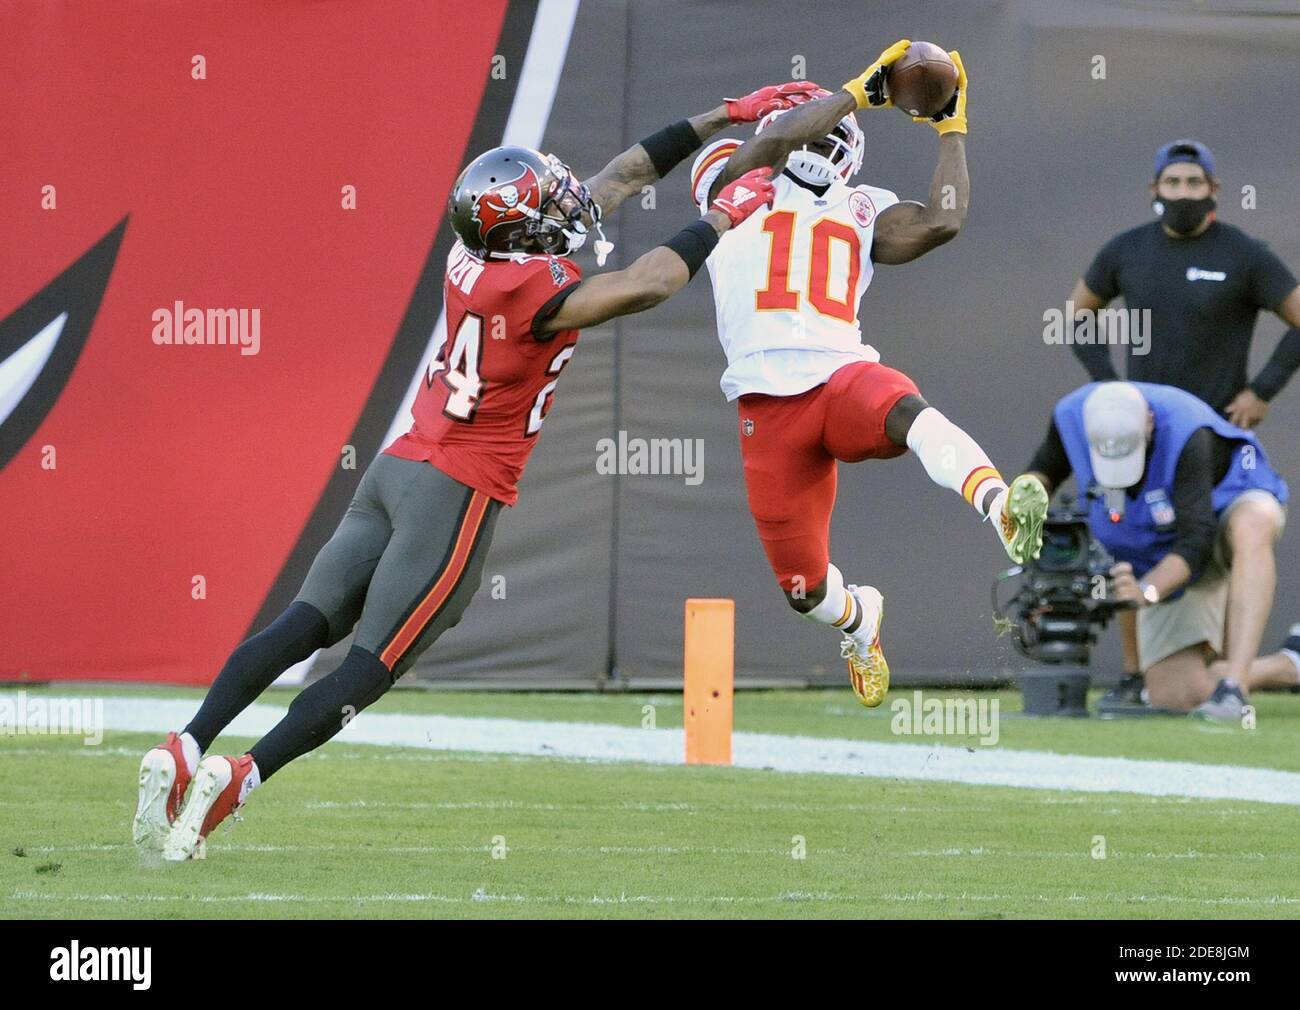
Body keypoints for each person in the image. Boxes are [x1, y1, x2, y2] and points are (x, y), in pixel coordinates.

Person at [131, 82, 811, 860]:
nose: (566, 196)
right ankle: (241, 776)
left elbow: (619, 178)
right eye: (547, 197)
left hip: (396, 467)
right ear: (522, 227)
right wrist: (725, 213)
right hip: (454, 490)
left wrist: (728, 114)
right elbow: (650, 282)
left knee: (302, 624)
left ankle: (184, 745)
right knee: (372, 665)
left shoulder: (475, 254)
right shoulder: (535, 291)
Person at [689, 40, 1048, 709]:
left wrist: (951, 126)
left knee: (908, 410)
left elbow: (943, 219)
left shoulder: (862, 207)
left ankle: (1000, 506)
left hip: (839, 371)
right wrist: (856, 92)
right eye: (810, 130)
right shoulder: (731, 180)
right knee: (803, 590)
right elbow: (766, 151)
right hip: (765, 401)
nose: (818, 145)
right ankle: (859, 618)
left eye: (832, 137)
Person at [1025, 381, 1288, 720]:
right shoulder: (1070, 417)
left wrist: (1147, 591)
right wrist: (1020, 510)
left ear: (1149, 422)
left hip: (1222, 512)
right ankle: (1288, 665)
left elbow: (1197, 541)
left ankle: (1235, 687)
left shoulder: (1187, 431)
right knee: (1173, 694)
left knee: (1256, 519)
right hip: (1164, 540)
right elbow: (1041, 474)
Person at [1066, 139, 1300, 427]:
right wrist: (1112, 388)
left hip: (1217, 426)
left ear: (1213, 190)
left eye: (1194, 183)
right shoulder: (1126, 249)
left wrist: (1262, 391)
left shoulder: (1244, 254)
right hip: (1145, 427)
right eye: (1172, 183)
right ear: (1155, 189)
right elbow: (1076, 314)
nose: (1183, 194)